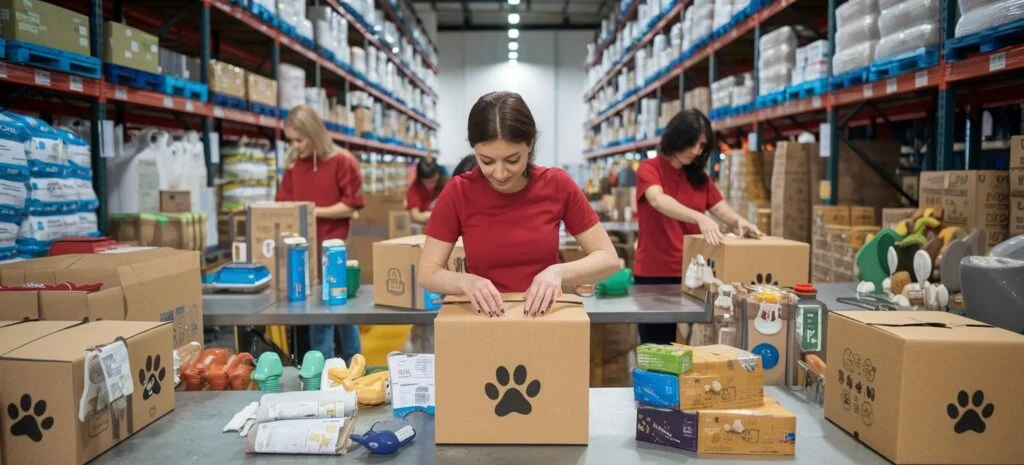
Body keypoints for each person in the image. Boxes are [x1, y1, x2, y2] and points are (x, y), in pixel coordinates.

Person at [417, 91, 620, 316]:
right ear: (474, 150)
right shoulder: (459, 192)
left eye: (512, 160)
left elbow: (608, 259)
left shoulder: (557, 184)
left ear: (530, 144)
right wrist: (466, 282)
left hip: (544, 318)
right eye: (486, 161)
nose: (500, 173)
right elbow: (428, 272)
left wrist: (557, 273)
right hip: (485, 320)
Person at [633, 109, 763, 344]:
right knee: (657, 345)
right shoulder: (649, 169)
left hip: (694, 273)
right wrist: (700, 218)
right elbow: (657, 200)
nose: (696, 151)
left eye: (702, 146)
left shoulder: (698, 177)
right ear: (676, 138)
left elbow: (719, 206)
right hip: (656, 273)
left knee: (704, 340)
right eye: (692, 143)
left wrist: (740, 222)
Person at [275, 105, 365, 362]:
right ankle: (323, 369)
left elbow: (351, 205)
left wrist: (313, 212)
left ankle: (353, 363)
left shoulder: (343, 161)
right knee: (317, 315)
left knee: (342, 312)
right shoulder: (293, 166)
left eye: (299, 139)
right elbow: (284, 205)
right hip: (302, 253)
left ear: (313, 134)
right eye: (290, 140)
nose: (295, 145)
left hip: (334, 249)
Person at [406, 157, 447, 225]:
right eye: (426, 182)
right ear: (420, 180)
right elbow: (415, 216)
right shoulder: (415, 188)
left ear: (438, 175)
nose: (430, 186)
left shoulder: (446, 185)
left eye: (433, 181)